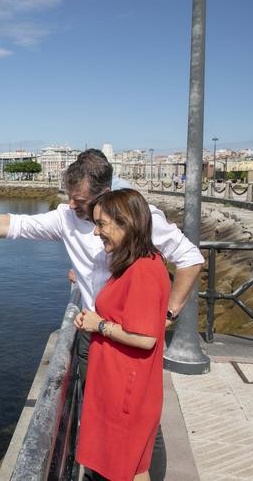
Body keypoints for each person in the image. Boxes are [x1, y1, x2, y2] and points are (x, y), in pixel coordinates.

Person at [0, 150, 204, 480]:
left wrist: (168, 313)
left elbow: (189, 258)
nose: (72, 206)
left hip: (125, 338)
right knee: (101, 414)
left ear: (105, 192)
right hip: (95, 334)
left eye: (81, 201)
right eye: (70, 197)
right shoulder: (67, 217)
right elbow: (16, 224)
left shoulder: (139, 218)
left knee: (139, 423)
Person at [73, 189, 169, 481]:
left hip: (125, 390)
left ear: (125, 223)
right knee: (129, 466)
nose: (96, 232)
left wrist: (98, 325)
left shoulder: (143, 271)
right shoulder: (136, 264)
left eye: (101, 224)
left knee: (122, 465)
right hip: (120, 384)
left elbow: (145, 338)